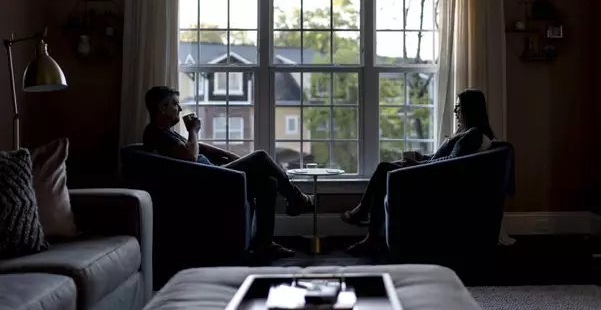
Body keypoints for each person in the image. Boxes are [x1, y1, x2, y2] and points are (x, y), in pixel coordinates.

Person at [141, 86, 316, 260]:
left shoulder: (165, 133)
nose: (179, 109)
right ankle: (297, 199)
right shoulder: (156, 135)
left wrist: (229, 155)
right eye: (175, 104)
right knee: (261, 156)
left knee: (268, 181)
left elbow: (197, 148)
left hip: (213, 175)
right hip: (207, 183)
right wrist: (193, 130)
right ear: (162, 108)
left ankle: (264, 244)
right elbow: (191, 157)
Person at [340, 88, 496, 255]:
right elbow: (442, 158)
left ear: (469, 109)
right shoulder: (464, 133)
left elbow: (452, 164)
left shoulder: (472, 135)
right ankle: (368, 229)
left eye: (458, 108)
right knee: (386, 169)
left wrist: (417, 165)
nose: (455, 112)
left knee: (384, 169)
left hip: (435, 182)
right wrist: (422, 158)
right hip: (430, 174)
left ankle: (365, 220)